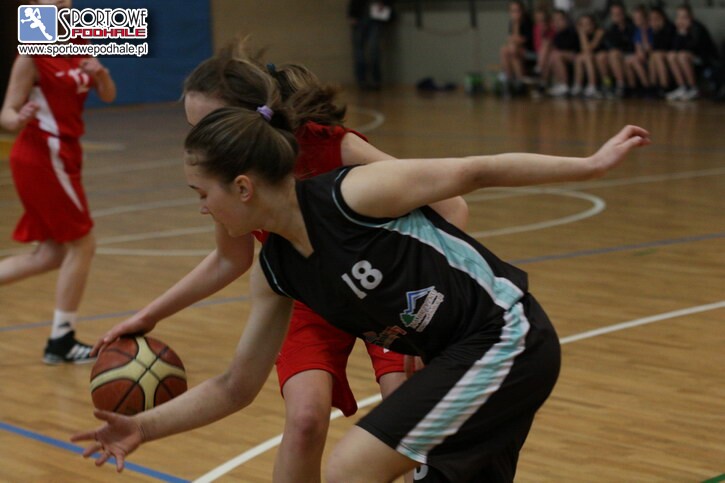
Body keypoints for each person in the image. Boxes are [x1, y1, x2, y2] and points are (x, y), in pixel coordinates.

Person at [72, 104, 650, 481]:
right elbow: (234, 386)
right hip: (463, 357)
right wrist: (144, 427)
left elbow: (475, 171)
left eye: (202, 194)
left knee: (350, 468)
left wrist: (591, 165)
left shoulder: (353, 196)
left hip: (505, 336)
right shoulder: (276, 270)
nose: (201, 208)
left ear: (243, 187)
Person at [91, 44, 467, 483]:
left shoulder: (332, 147)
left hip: (382, 288)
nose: (199, 139)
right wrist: (148, 315)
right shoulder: (226, 180)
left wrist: (429, 306)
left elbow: (451, 205)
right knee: (305, 419)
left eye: (208, 124)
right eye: (192, 127)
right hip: (306, 294)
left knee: (400, 405)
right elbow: (228, 260)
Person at [0, 0, 116, 364]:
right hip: (42, 153)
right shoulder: (32, 54)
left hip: (67, 151)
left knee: (51, 254)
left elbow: (108, 95)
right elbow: (6, 114)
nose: (61, 1)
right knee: (83, 243)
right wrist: (19, 118)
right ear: (36, 5)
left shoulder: (80, 41)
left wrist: (101, 74)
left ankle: (60, 340)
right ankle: (61, 341)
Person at [665, 4, 718, 102]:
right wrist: (681, 34)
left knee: (682, 56)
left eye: (684, 17)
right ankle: (682, 87)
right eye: (679, 17)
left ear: (691, 17)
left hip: (705, 59)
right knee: (671, 56)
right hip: (689, 59)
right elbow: (675, 48)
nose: (681, 20)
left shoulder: (697, 28)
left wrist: (684, 34)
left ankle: (693, 88)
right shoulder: (678, 30)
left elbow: (694, 48)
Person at [348, 0, 394, 90]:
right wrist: (352, 14)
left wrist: (385, 4)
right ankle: (362, 80)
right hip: (361, 15)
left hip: (375, 16)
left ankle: (375, 80)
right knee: (360, 52)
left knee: (373, 50)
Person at [596, 2, 635, 98]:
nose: (616, 16)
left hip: (630, 53)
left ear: (624, 13)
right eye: (614, 14)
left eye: (618, 14)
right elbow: (609, 45)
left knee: (614, 54)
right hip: (617, 54)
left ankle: (620, 85)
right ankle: (607, 84)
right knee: (601, 56)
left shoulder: (631, 26)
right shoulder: (612, 28)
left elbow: (631, 44)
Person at [498, 0, 534, 96]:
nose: (515, 14)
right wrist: (513, 39)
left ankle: (518, 82)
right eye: (513, 11)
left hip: (530, 52)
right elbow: (511, 40)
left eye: (517, 11)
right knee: (505, 51)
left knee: (512, 50)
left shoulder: (527, 22)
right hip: (516, 52)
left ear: (522, 11)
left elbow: (522, 40)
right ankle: (510, 81)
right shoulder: (511, 23)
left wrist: (517, 24)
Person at [547, 9, 579, 97]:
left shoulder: (572, 31)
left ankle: (564, 84)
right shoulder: (557, 34)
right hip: (564, 56)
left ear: (566, 20)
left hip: (577, 56)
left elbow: (573, 47)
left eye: (559, 19)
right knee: (553, 55)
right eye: (555, 20)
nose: (557, 22)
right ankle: (557, 83)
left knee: (556, 55)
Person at [572, 14, 605, 98]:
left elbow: (588, 49)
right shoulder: (577, 34)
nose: (586, 27)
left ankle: (592, 85)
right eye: (583, 24)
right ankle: (578, 85)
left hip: (602, 56)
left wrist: (582, 34)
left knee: (587, 56)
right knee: (579, 57)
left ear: (593, 24)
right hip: (589, 56)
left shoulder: (599, 32)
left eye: (588, 24)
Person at [624, 5, 653, 96]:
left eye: (638, 18)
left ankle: (647, 87)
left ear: (645, 18)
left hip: (651, 56)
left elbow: (649, 49)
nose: (636, 20)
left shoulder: (650, 30)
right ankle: (633, 87)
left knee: (634, 60)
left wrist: (644, 34)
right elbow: (638, 49)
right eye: (635, 18)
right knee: (629, 60)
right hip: (642, 56)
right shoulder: (637, 31)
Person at [647, 7, 675, 98]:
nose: (654, 21)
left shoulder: (670, 27)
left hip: (672, 53)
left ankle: (665, 86)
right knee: (653, 56)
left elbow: (668, 45)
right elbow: (654, 48)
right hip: (660, 54)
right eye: (652, 19)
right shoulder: (654, 31)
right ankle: (653, 86)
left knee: (657, 55)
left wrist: (659, 31)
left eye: (656, 18)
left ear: (662, 18)